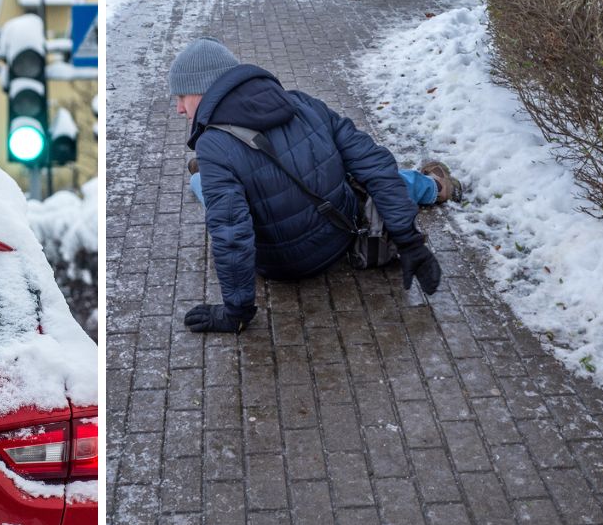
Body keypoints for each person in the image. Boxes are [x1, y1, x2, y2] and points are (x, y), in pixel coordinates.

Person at [170, 37, 456, 334]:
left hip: (282, 265)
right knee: (360, 176)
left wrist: (236, 312)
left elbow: (231, 232)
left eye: (182, 96)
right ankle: (434, 186)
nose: (179, 108)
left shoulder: (211, 144)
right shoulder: (301, 101)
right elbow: (375, 164)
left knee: (202, 184)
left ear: (205, 89)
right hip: (339, 233)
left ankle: (220, 173)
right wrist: (408, 240)